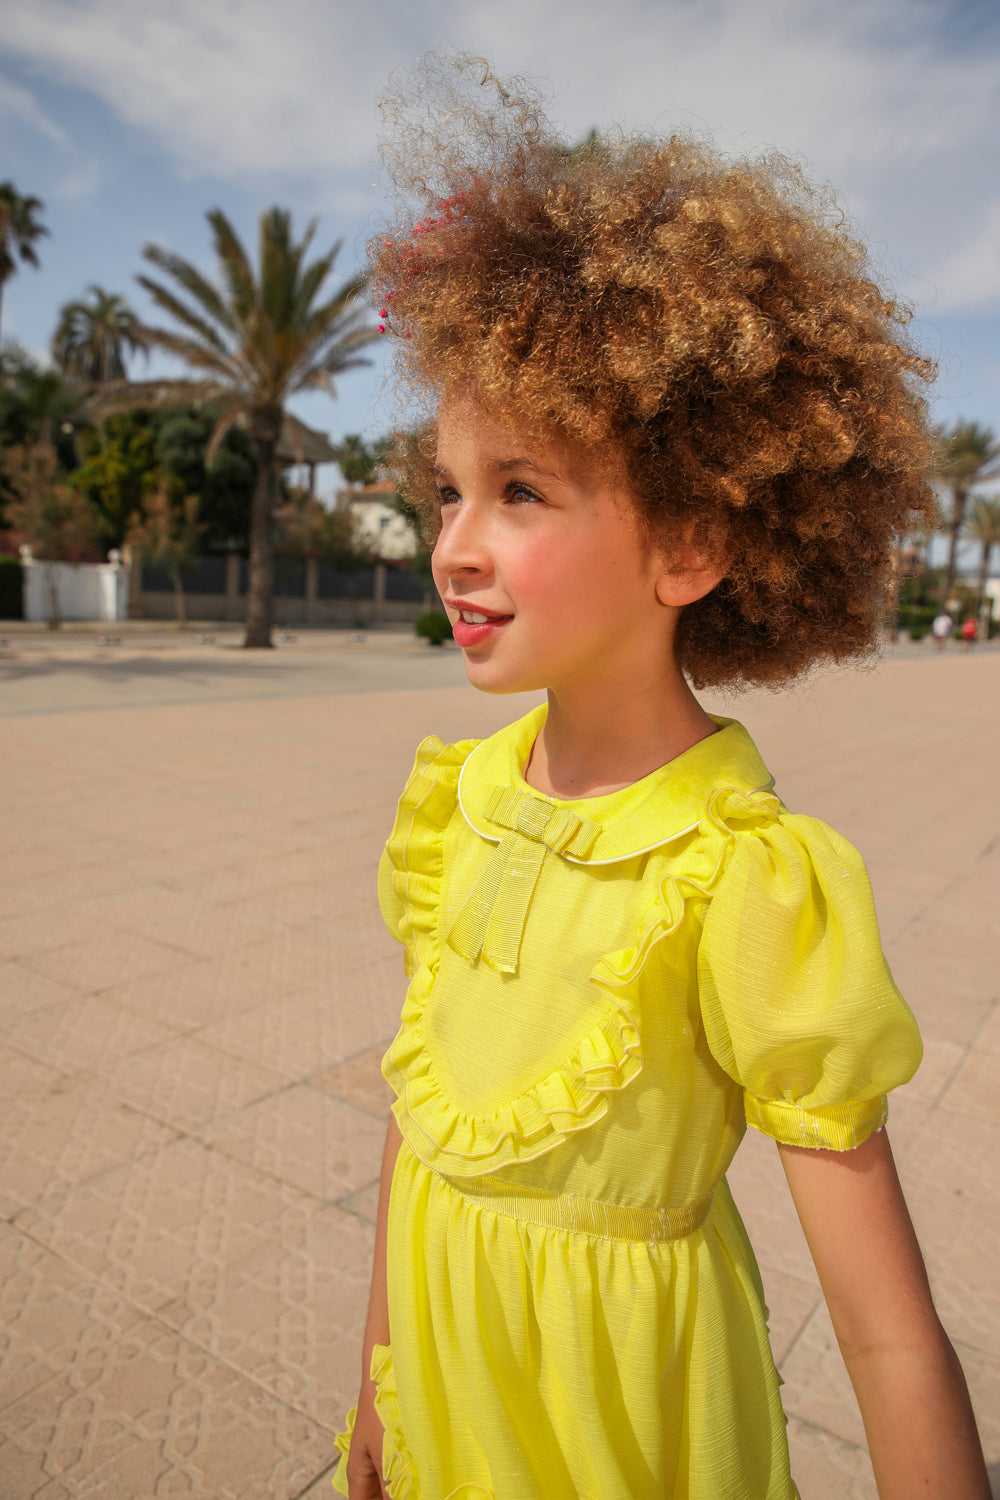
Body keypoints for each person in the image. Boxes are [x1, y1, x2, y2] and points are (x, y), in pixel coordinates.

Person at [334, 57, 990, 1500]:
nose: (455, 543)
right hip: (438, 1398)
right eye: (448, 487)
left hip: (619, 1433)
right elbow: (420, 1126)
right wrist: (375, 1386)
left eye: (521, 491)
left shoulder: (745, 876)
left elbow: (888, 1341)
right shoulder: (458, 804)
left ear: (689, 549)